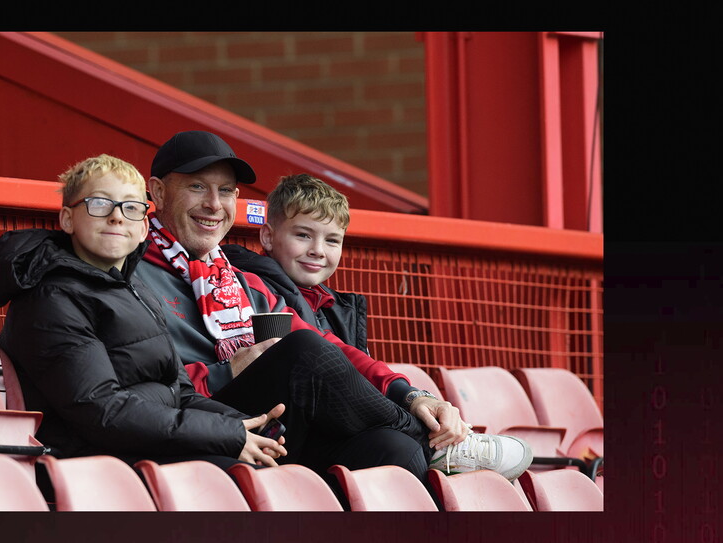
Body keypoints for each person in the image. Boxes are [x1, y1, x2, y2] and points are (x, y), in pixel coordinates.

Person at [133, 130, 533, 498]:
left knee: (394, 450)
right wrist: (226, 371)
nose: (214, 204)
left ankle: (421, 448)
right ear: (159, 193)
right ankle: (435, 445)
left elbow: (331, 347)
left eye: (225, 191)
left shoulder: (242, 281)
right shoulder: (129, 276)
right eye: (197, 187)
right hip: (198, 424)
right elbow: (136, 386)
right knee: (301, 350)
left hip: (275, 429)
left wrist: (412, 396)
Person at [0, 154, 288, 489]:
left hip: (140, 447)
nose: (116, 216)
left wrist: (247, 425)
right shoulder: (50, 298)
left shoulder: (134, 288)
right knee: (240, 479)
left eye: (131, 208)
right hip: (86, 463)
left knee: (279, 465)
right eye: (99, 204)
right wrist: (226, 434)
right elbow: (102, 411)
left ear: (142, 229)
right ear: (67, 219)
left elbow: (180, 392)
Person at [221, 173, 369, 354]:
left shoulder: (337, 309)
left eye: (332, 240)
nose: (318, 250)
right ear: (268, 237)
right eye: (303, 235)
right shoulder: (251, 293)